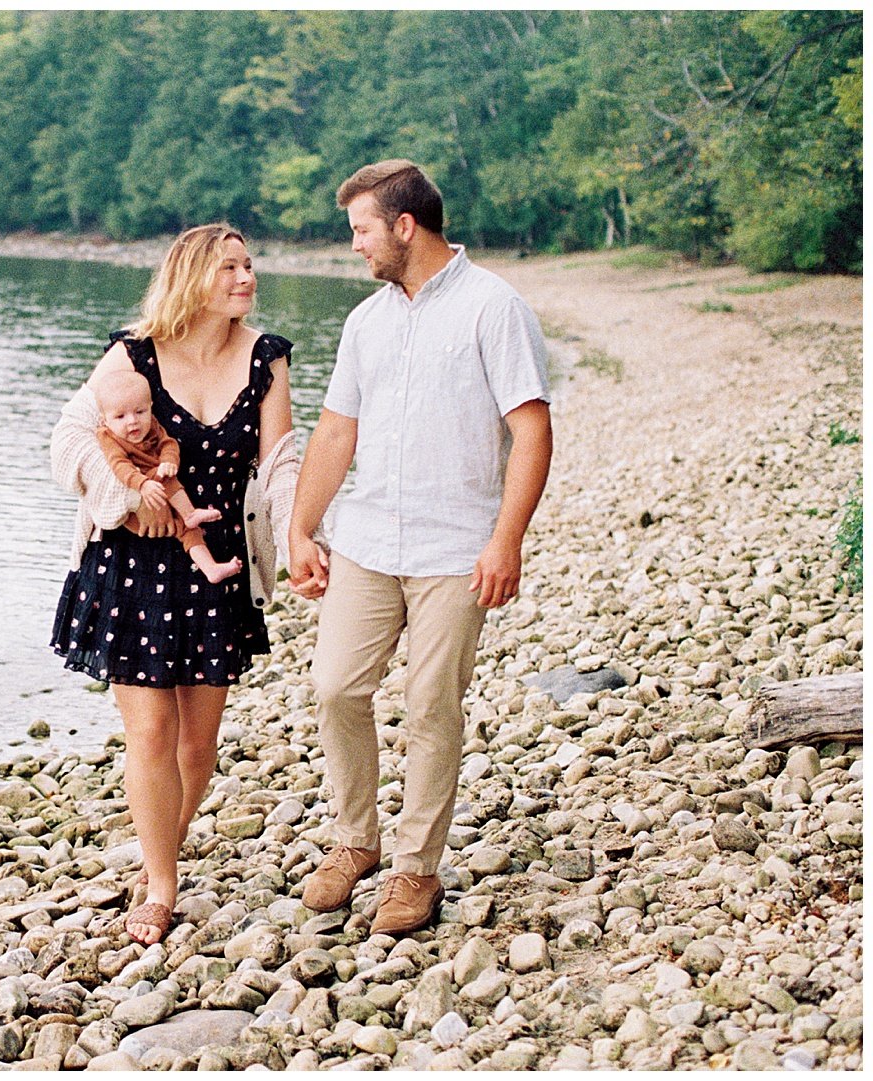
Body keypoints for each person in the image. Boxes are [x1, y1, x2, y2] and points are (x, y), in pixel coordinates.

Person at [287, 160, 553, 936]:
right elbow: (338, 429)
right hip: (367, 539)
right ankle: (355, 840)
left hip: (455, 548)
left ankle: (415, 867)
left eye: (363, 230)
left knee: (432, 704)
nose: (356, 247)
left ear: (405, 227)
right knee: (335, 686)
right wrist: (304, 527)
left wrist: (507, 541)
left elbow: (531, 430)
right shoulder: (366, 320)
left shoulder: (493, 308)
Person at [50, 223, 301, 945]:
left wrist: (302, 540)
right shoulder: (130, 354)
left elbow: (281, 464)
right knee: (152, 729)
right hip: (130, 565)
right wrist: (131, 501)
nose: (247, 277)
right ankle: (161, 884)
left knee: (199, 745)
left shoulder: (267, 359)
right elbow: (69, 440)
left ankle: (167, 839)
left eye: (249, 265)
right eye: (230, 267)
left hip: (214, 566)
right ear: (191, 277)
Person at [91, 369, 242, 584]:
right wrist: (142, 486)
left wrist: (170, 460)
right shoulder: (107, 436)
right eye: (120, 416)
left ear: (150, 407)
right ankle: (189, 512)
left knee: (188, 530)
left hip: (162, 494)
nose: (132, 421)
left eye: (140, 412)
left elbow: (168, 443)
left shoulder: (152, 424)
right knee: (163, 478)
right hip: (136, 509)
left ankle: (211, 568)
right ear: (104, 419)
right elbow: (119, 465)